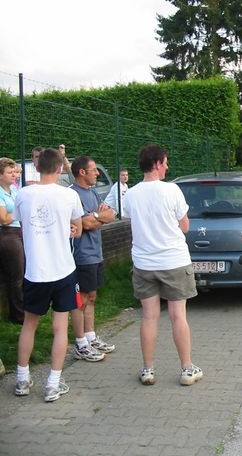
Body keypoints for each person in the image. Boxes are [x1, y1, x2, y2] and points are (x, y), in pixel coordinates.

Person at [122, 144, 202, 386]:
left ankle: (148, 369)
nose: (167, 166)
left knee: (149, 316)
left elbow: (129, 221)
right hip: (174, 261)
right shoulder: (172, 190)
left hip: (144, 263)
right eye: (165, 162)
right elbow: (185, 226)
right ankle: (187, 369)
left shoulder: (131, 194)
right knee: (178, 316)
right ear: (157, 164)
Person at [13, 148, 84, 402]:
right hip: (63, 269)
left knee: (29, 324)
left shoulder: (23, 194)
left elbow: (20, 224)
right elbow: (78, 227)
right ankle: (53, 384)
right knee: (59, 327)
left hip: (35, 271)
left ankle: (22, 379)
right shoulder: (69, 195)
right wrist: (71, 229)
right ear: (58, 169)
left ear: (38, 167)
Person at [69, 156, 117, 363]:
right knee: (82, 299)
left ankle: (90, 336)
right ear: (82, 172)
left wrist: (95, 216)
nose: (97, 173)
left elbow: (111, 214)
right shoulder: (72, 194)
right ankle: (80, 344)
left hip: (96, 253)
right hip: (82, 255)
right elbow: (83, 224)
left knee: (93, 295)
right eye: (93, 170)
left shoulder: (93, 192)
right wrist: (97, 218)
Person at [0, 157, 25, 324]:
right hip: (7, 234)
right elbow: (3, 219)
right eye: (9, 172)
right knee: (16, 274)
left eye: (14, 172)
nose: (13, 175)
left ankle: (24, 307)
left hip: (19, 230)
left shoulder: (14, 190)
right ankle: (17, 314)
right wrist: (17, 212)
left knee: (23, 271)